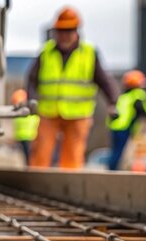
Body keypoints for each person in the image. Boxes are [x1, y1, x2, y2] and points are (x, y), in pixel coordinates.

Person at [27, 7, 119, 168]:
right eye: (60, 31)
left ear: (76, 31)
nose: (64, 35)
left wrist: (113, 102)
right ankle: (38, 182)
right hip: (49, 111)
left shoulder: (89, 53)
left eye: (68, 31)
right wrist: (31, 99)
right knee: (41, 150)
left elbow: (104, 80)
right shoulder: (46, 52)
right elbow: (31, 79)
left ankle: (68, 187)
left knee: (73, 155)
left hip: (78, 114)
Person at [107, 70, 146, 170]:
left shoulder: (124, 96)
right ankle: (113, 172)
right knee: (120, 152)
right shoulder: (138, 95)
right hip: (124, 127)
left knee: (116, 151)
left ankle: (112, 171)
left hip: (115, 126)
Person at [11, 89, 40, 165]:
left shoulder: (20, 112)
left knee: (29, 156)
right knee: (29, 156)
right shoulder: (25, 111)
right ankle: (30, 167)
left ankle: (30, 166)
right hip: (28, 137)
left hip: (28, 137)